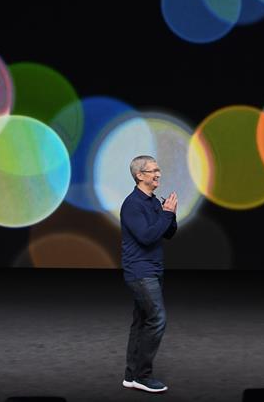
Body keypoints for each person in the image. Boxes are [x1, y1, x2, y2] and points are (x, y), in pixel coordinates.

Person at [120, 155, 178, 394]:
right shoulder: (133, 204)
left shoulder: (154, 201)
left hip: (154, 269)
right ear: (139, 175)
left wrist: (170, 214)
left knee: (142, 321)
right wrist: (165, 215)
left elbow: (168, 233)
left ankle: (131, 376)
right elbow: (146, 237)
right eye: (153, 170)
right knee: (157, 319)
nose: (158, 174)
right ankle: (143, 375)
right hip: (140, 271)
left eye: (159, 170)